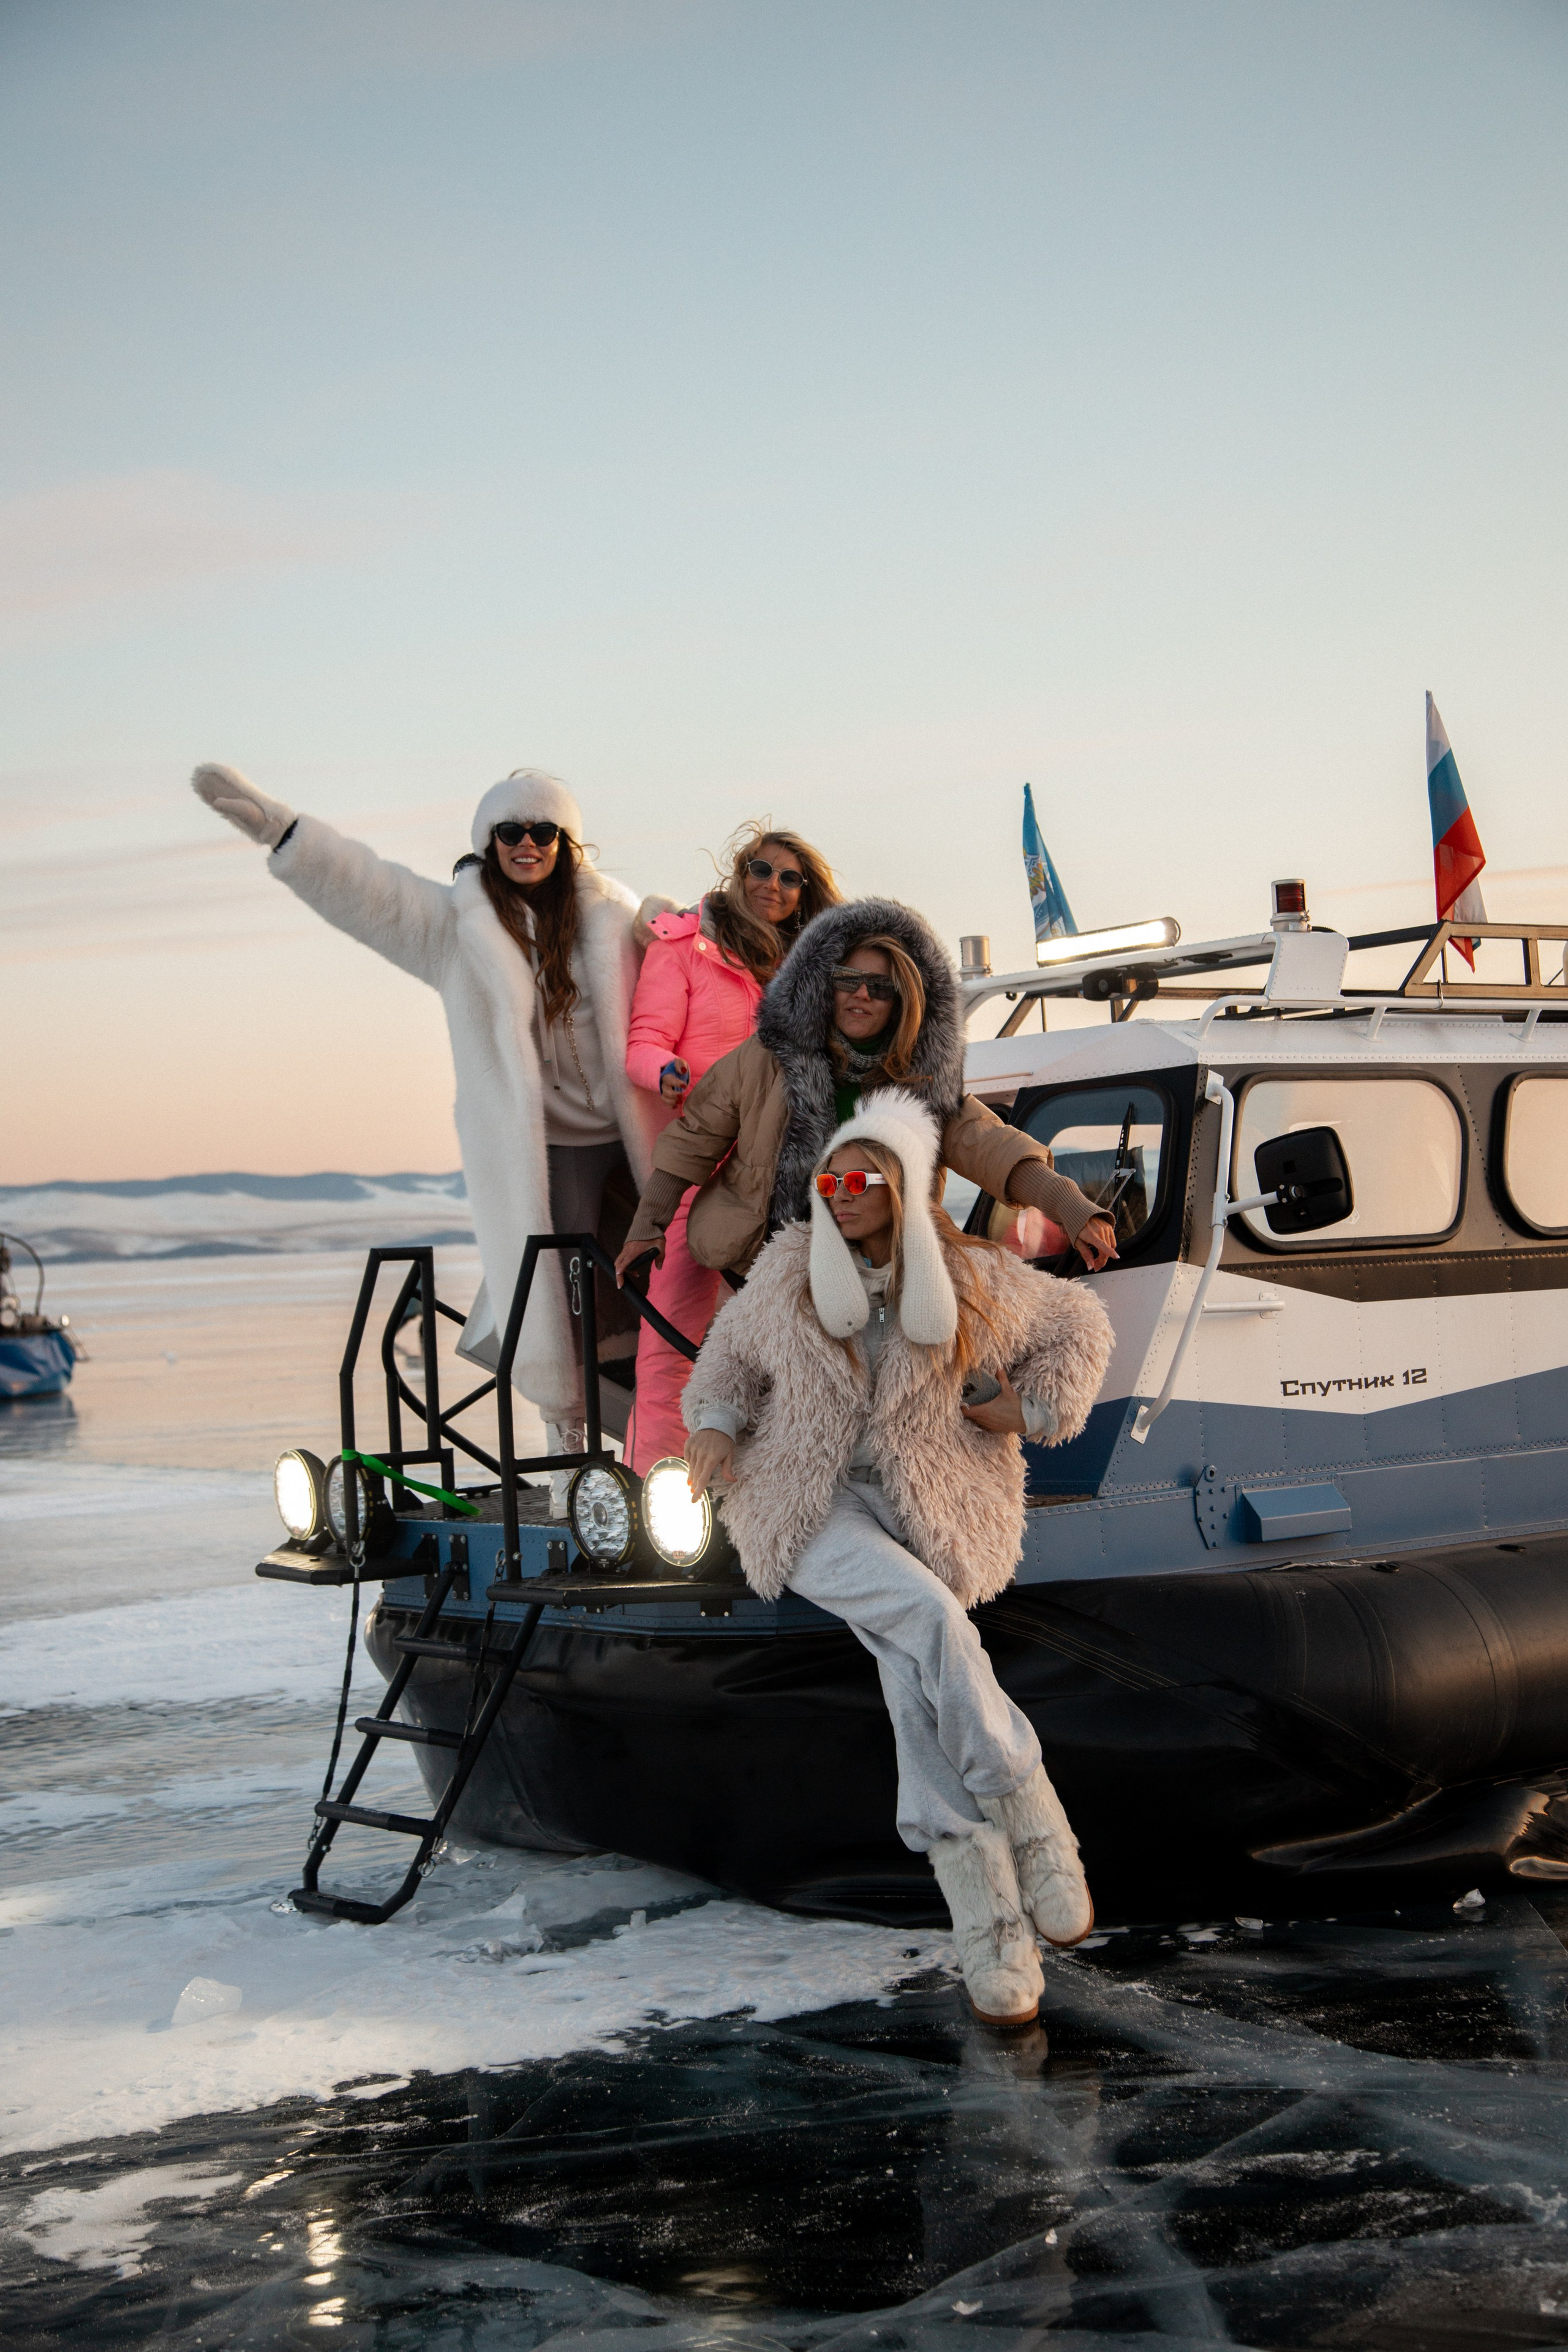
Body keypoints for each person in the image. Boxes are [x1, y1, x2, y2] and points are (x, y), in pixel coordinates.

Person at [682, 1090, 1114, 2027]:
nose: (836, 1195)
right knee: (929, 1621)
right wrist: (714, 1431)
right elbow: (723, 1363)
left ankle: (991, 1928)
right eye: (828, 1179)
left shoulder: (973, 1277)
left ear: (905, 1188)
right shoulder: (791, 1270)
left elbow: (1079, 1325)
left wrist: (1029, 1413)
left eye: (858, 1181)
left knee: (912, 1676)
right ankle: (1035, 1821)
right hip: (812, 1503)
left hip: (928, 1503)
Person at [190, 761, 666, 1468]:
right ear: (488, 841)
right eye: (510, 831)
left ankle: (695, 1434)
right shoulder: (458, 928)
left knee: (680, 1273)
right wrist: (284, 833)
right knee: (555, 1300)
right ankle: (569, 1454)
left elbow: (707, 957)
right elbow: (371, 893)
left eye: (543, 830)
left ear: (567, 841)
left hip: (638, 1133)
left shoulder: (616, 918)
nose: (526, 843)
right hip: (551, 1148)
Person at [616, 895, 1118, 1296]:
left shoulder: (919, 1082)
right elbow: (697, 1137)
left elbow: (987, 1144)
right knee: (748, 1403)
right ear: (822, 987)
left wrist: (1073, 1209)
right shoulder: (767, 1057)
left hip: (876, 1270)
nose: (861, 995)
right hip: (765, 1265)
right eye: (847, 981)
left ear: (903, 999)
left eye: (879, 988)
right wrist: (647, 1226)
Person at [624, 823, 840, 1471]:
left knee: (805, 1333)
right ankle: (650, 1489)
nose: (771, 885)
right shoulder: (684, 948)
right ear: (739, 873)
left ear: (804, 893)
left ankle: (789, 1478)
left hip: (793, 1169)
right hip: (702, 1166)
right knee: (669, 1332)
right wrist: (665, 1071)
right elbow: (642, 1041)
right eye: (760, 869)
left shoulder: (820, 970)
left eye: (789, 877)